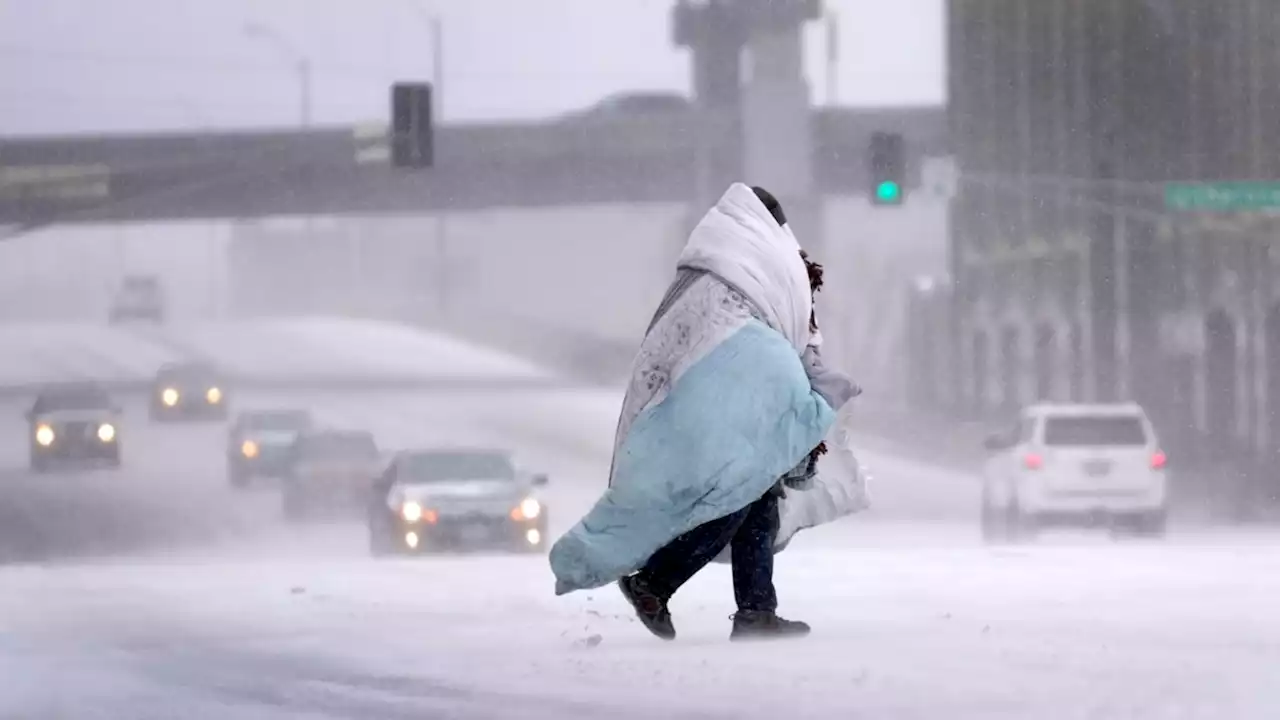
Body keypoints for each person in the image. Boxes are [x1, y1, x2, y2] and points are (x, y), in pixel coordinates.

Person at [549, 183, 863, 641]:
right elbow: (780, 329)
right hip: (725, 402)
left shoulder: (708, 269)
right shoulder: (762, 263)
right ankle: (654, 582)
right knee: (736, 493)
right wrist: (808, 388)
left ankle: (756, 610)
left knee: (756, 496)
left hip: (702, 400)